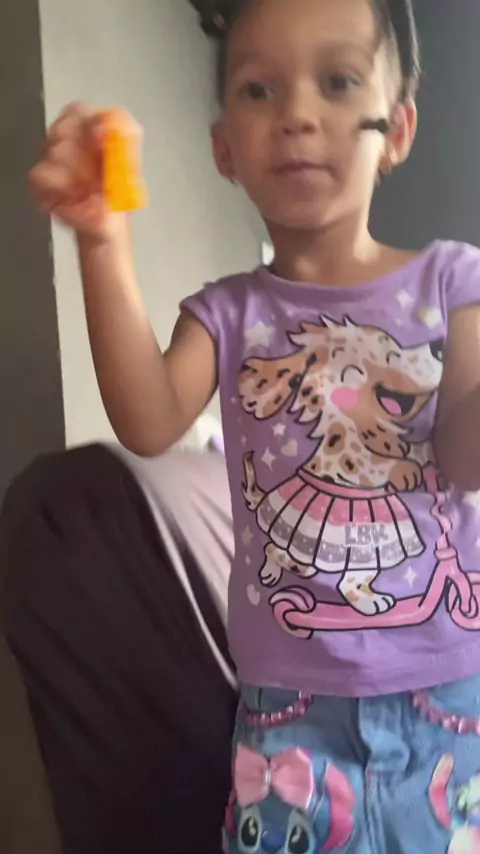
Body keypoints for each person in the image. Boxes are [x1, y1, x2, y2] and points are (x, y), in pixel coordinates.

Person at [29, 0, 480, 850]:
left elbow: (464, 456)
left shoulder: (455, 281)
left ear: (397, 129)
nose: (298, 113)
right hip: (288, 710)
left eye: (338, 81)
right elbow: (149, 420)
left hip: (449, 699)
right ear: (224, 149)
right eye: (259, 89)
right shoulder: (228, 315)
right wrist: (101, 242)